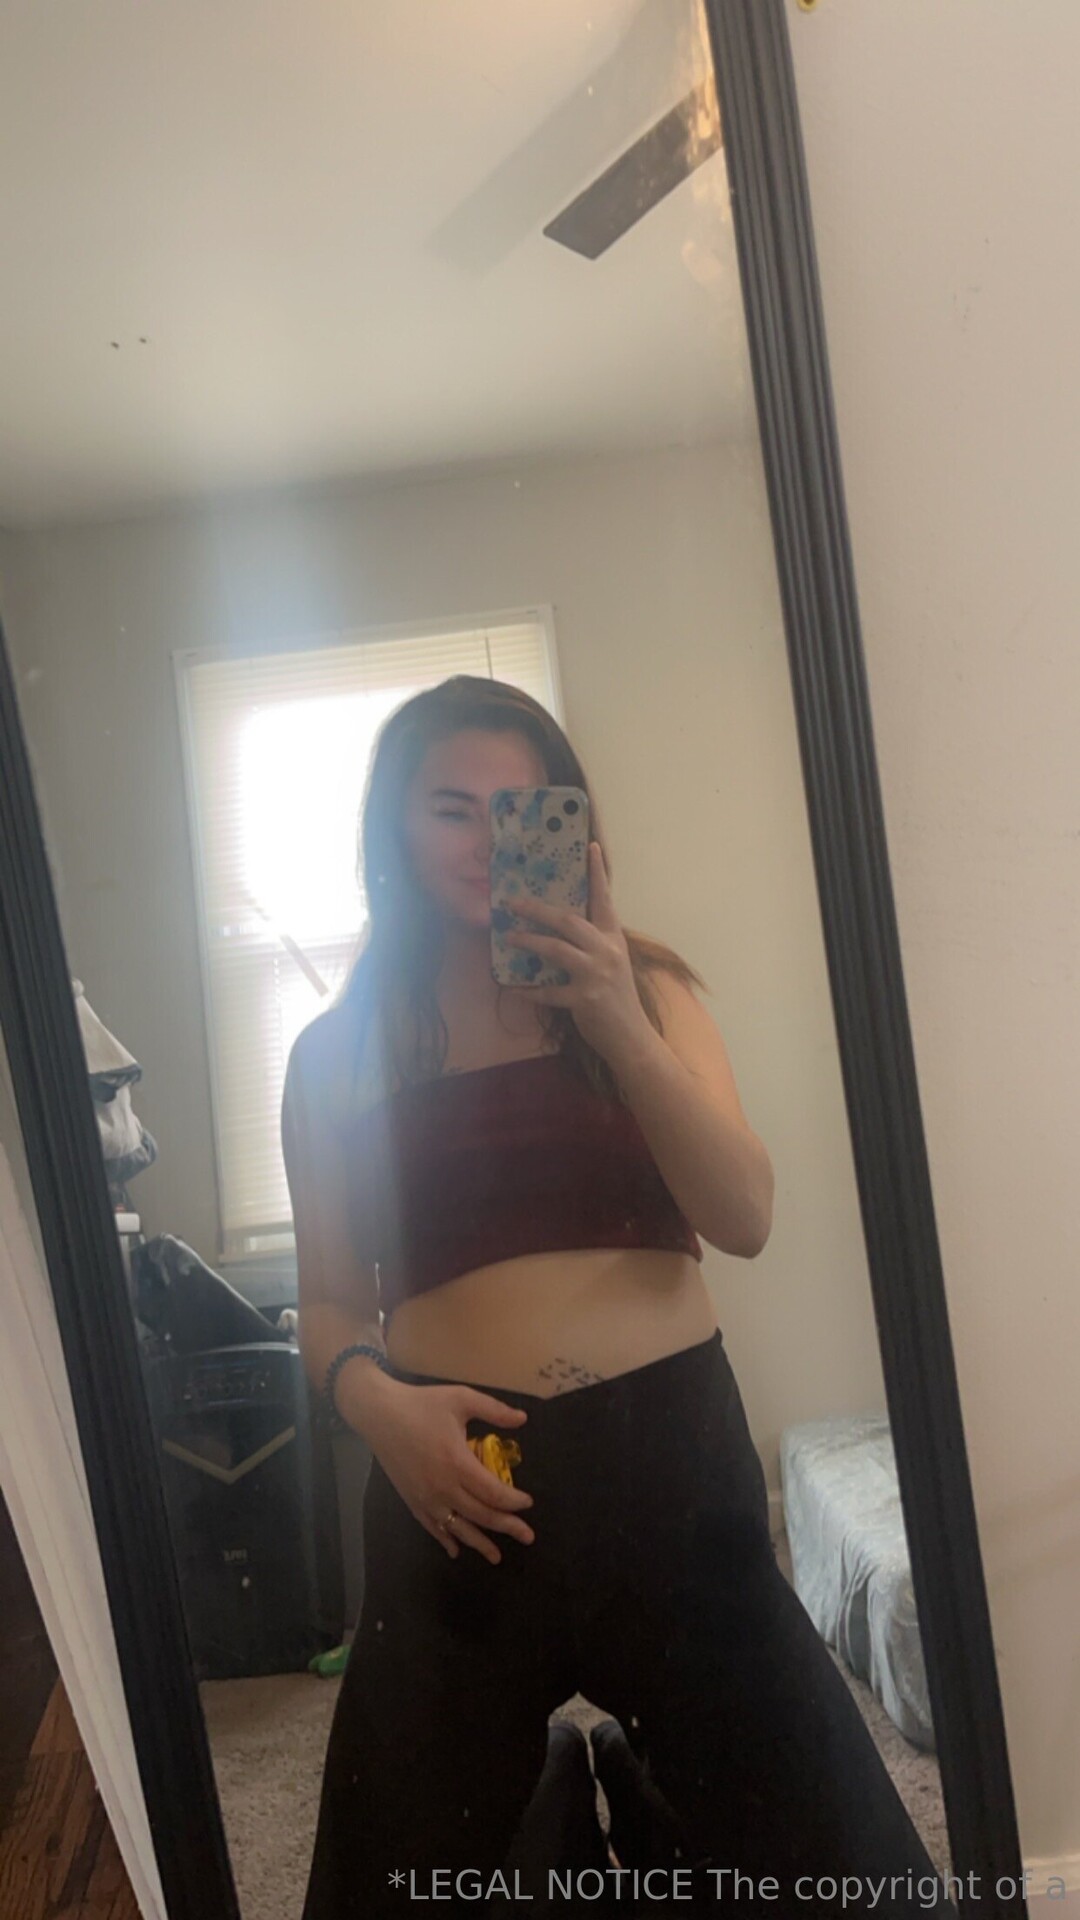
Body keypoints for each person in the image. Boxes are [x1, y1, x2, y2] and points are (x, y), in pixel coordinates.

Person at [283, 676, 955, 1919]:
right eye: (450, 808)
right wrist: (380, 1413)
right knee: (395, 1869)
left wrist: (613, 1020)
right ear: (392, 829)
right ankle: (555, 1802)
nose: (488, 840)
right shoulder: (335, 1052)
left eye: (519, 807)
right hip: (457, 1481)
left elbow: (743, 1218)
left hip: (673, 1469)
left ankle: (636, 1805)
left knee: (837, 1863)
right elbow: (327, 1301)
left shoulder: (648, 990)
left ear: (572, 824)